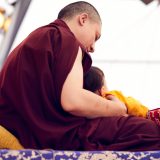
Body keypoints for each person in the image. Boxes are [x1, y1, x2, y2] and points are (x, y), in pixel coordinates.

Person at [0, 1, 160, 151]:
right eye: (96, 37)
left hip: (24, 127)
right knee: (149, 130)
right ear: (83, 19)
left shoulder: (35, 38)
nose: (92, 48)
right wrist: (117, 108)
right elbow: (72, 101)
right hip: (57, 134)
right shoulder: (64, 37)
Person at [84, 66, 160, 125]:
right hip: (145, 114)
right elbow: (121, 112)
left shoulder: (106, 101)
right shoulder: (109, 96)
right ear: (102, 90)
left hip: (145, 114)